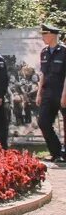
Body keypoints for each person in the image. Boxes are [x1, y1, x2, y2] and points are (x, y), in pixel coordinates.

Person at [37, 24, 66, 162]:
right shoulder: (44, 52)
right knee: (43, 122)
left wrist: (64, 95)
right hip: (48, 92)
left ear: (53, 35)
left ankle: (63, 155)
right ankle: (56, 152)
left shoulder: (64, 51)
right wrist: (39, 93)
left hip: (62, 91)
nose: (42, 37)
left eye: (44, 34)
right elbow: (43, 74)